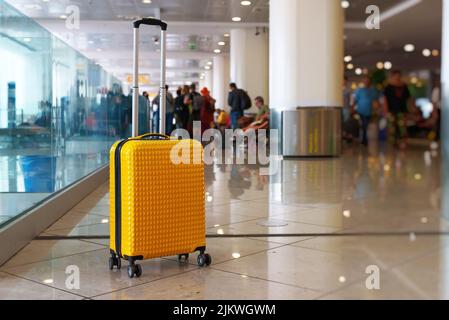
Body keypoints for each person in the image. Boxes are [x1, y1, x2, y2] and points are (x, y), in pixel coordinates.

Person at [384, 70, 412, 149]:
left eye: (399, 76)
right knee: (392, 128)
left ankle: (403, 143)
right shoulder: (388, 87)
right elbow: (385, 99)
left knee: (402, 127)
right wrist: (386, 111)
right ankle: (393, 144)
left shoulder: (404, 86)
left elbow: (408, 99)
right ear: (392, 77)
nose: (397, 78)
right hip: (391, 111)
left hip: (402, 111)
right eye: (395, 76)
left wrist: (410, 110)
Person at [353, 76, 379, 146]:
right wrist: (352, 108)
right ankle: (363, 140)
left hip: (369, 111)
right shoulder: (359, 90)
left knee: (366, 125)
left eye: (367, 81)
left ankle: (364, 140)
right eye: (365, 81)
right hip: (360, 110)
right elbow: (355, 100)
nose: (366, 82)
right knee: (363, 125)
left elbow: (376, 101)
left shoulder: (373, 91)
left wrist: (376, 110)